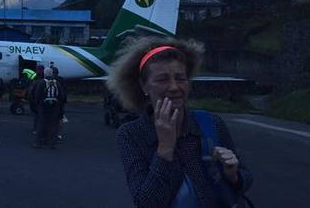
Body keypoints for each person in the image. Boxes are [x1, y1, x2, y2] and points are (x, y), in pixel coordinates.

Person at [107, 36, 253, 207]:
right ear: (144, 85)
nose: (174, 87)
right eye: (162, 79)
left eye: (181, 78)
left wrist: (233, 175)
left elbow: (246, 178)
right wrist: (165, 148)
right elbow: (146, 203)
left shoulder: (211, 123)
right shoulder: (131, 134)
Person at [33, 67, 61, 148]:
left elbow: (37, 95)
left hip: (43, 106)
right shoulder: (57, 83)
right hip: (54, 107)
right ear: (52, 74)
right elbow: (61, 96)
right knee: (53, 125)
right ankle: (52, 143)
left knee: (41, 124)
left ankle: (38, 143)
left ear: (44, 74)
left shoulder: (41, 82)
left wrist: (37, 104)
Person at [51, 65, 67, 141]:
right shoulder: (62, 80)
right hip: (61, 102)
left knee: (51, 118)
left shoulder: (51, 81)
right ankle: (59, 134)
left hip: (53, 102)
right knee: (60, 119)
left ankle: (51, 132)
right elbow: (64, 92)